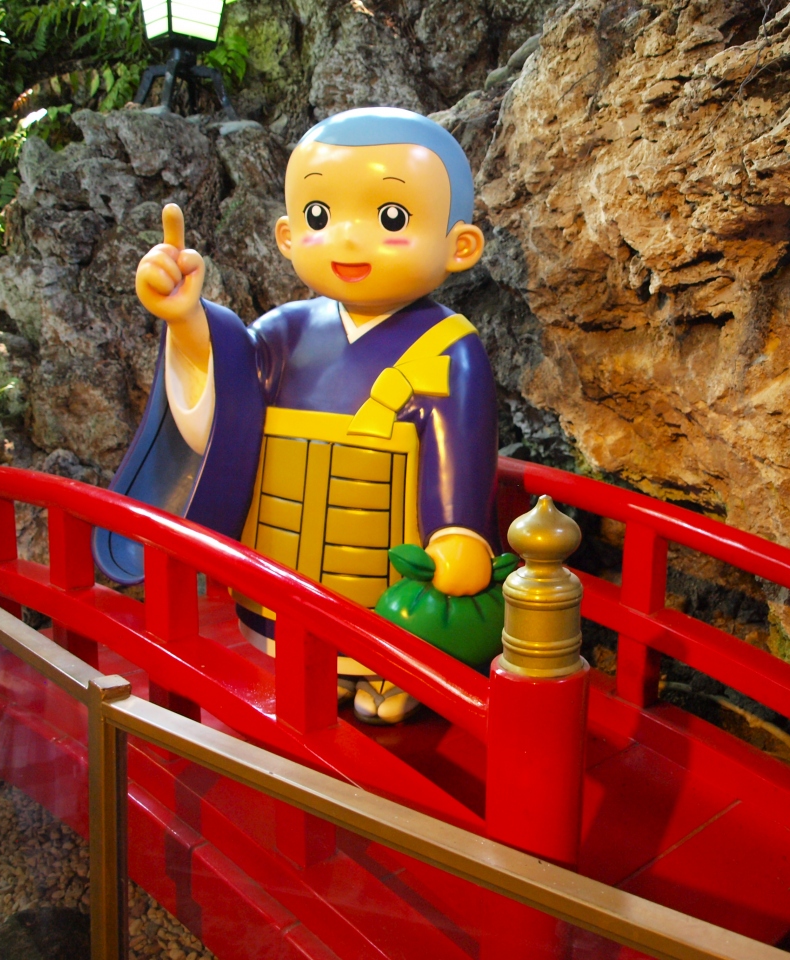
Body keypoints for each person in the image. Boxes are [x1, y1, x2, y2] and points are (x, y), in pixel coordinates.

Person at [95, 107, 498, 724]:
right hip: (284, 561)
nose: (347, 239)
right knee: (288, 637)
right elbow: (227, 405)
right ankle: (311, 667)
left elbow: (459, 458)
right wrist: (187, 320)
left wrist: (457, 533)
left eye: (391, 218)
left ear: (460, 245)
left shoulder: (452, 348)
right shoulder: (282, 332)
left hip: (379, 568)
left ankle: (395, 672)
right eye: (319, 216)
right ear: (286, 236)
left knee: (389, 630)